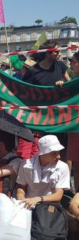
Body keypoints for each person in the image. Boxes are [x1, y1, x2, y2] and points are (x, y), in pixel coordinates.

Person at [16, 135, 70, 209]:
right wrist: (21, 195)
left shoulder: (62, 167)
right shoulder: (26, 165)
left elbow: (58, 195)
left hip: (49, 207)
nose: (58, 157)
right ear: (43, 154)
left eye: (58, 152)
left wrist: (38, 199)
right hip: (27, 205)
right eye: (53, 153)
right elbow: (21, 186)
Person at [68, 51, 79, 191]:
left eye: (74, 62)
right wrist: (62, 85)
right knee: (77, 165)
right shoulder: (73, 82)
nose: (71, 65)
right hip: (75, 128)